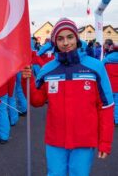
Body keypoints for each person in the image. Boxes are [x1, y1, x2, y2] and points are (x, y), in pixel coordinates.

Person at [22, 18, 114, 176]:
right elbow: (37, 101)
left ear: (76, 38)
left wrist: (104, 142)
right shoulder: (48, 69)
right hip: (55, 139)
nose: (66, 42)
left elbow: (106, 107)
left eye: (70, 37)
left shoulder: (95, 67)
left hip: (84, 140)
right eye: (60, 38)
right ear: (54, 41)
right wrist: (26, 81)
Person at [102, 39, 118, 126]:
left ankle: (111, 119)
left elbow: (101, 70)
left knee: (110, 103)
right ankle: (117, 120)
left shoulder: (106, 59)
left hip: (109, 85)